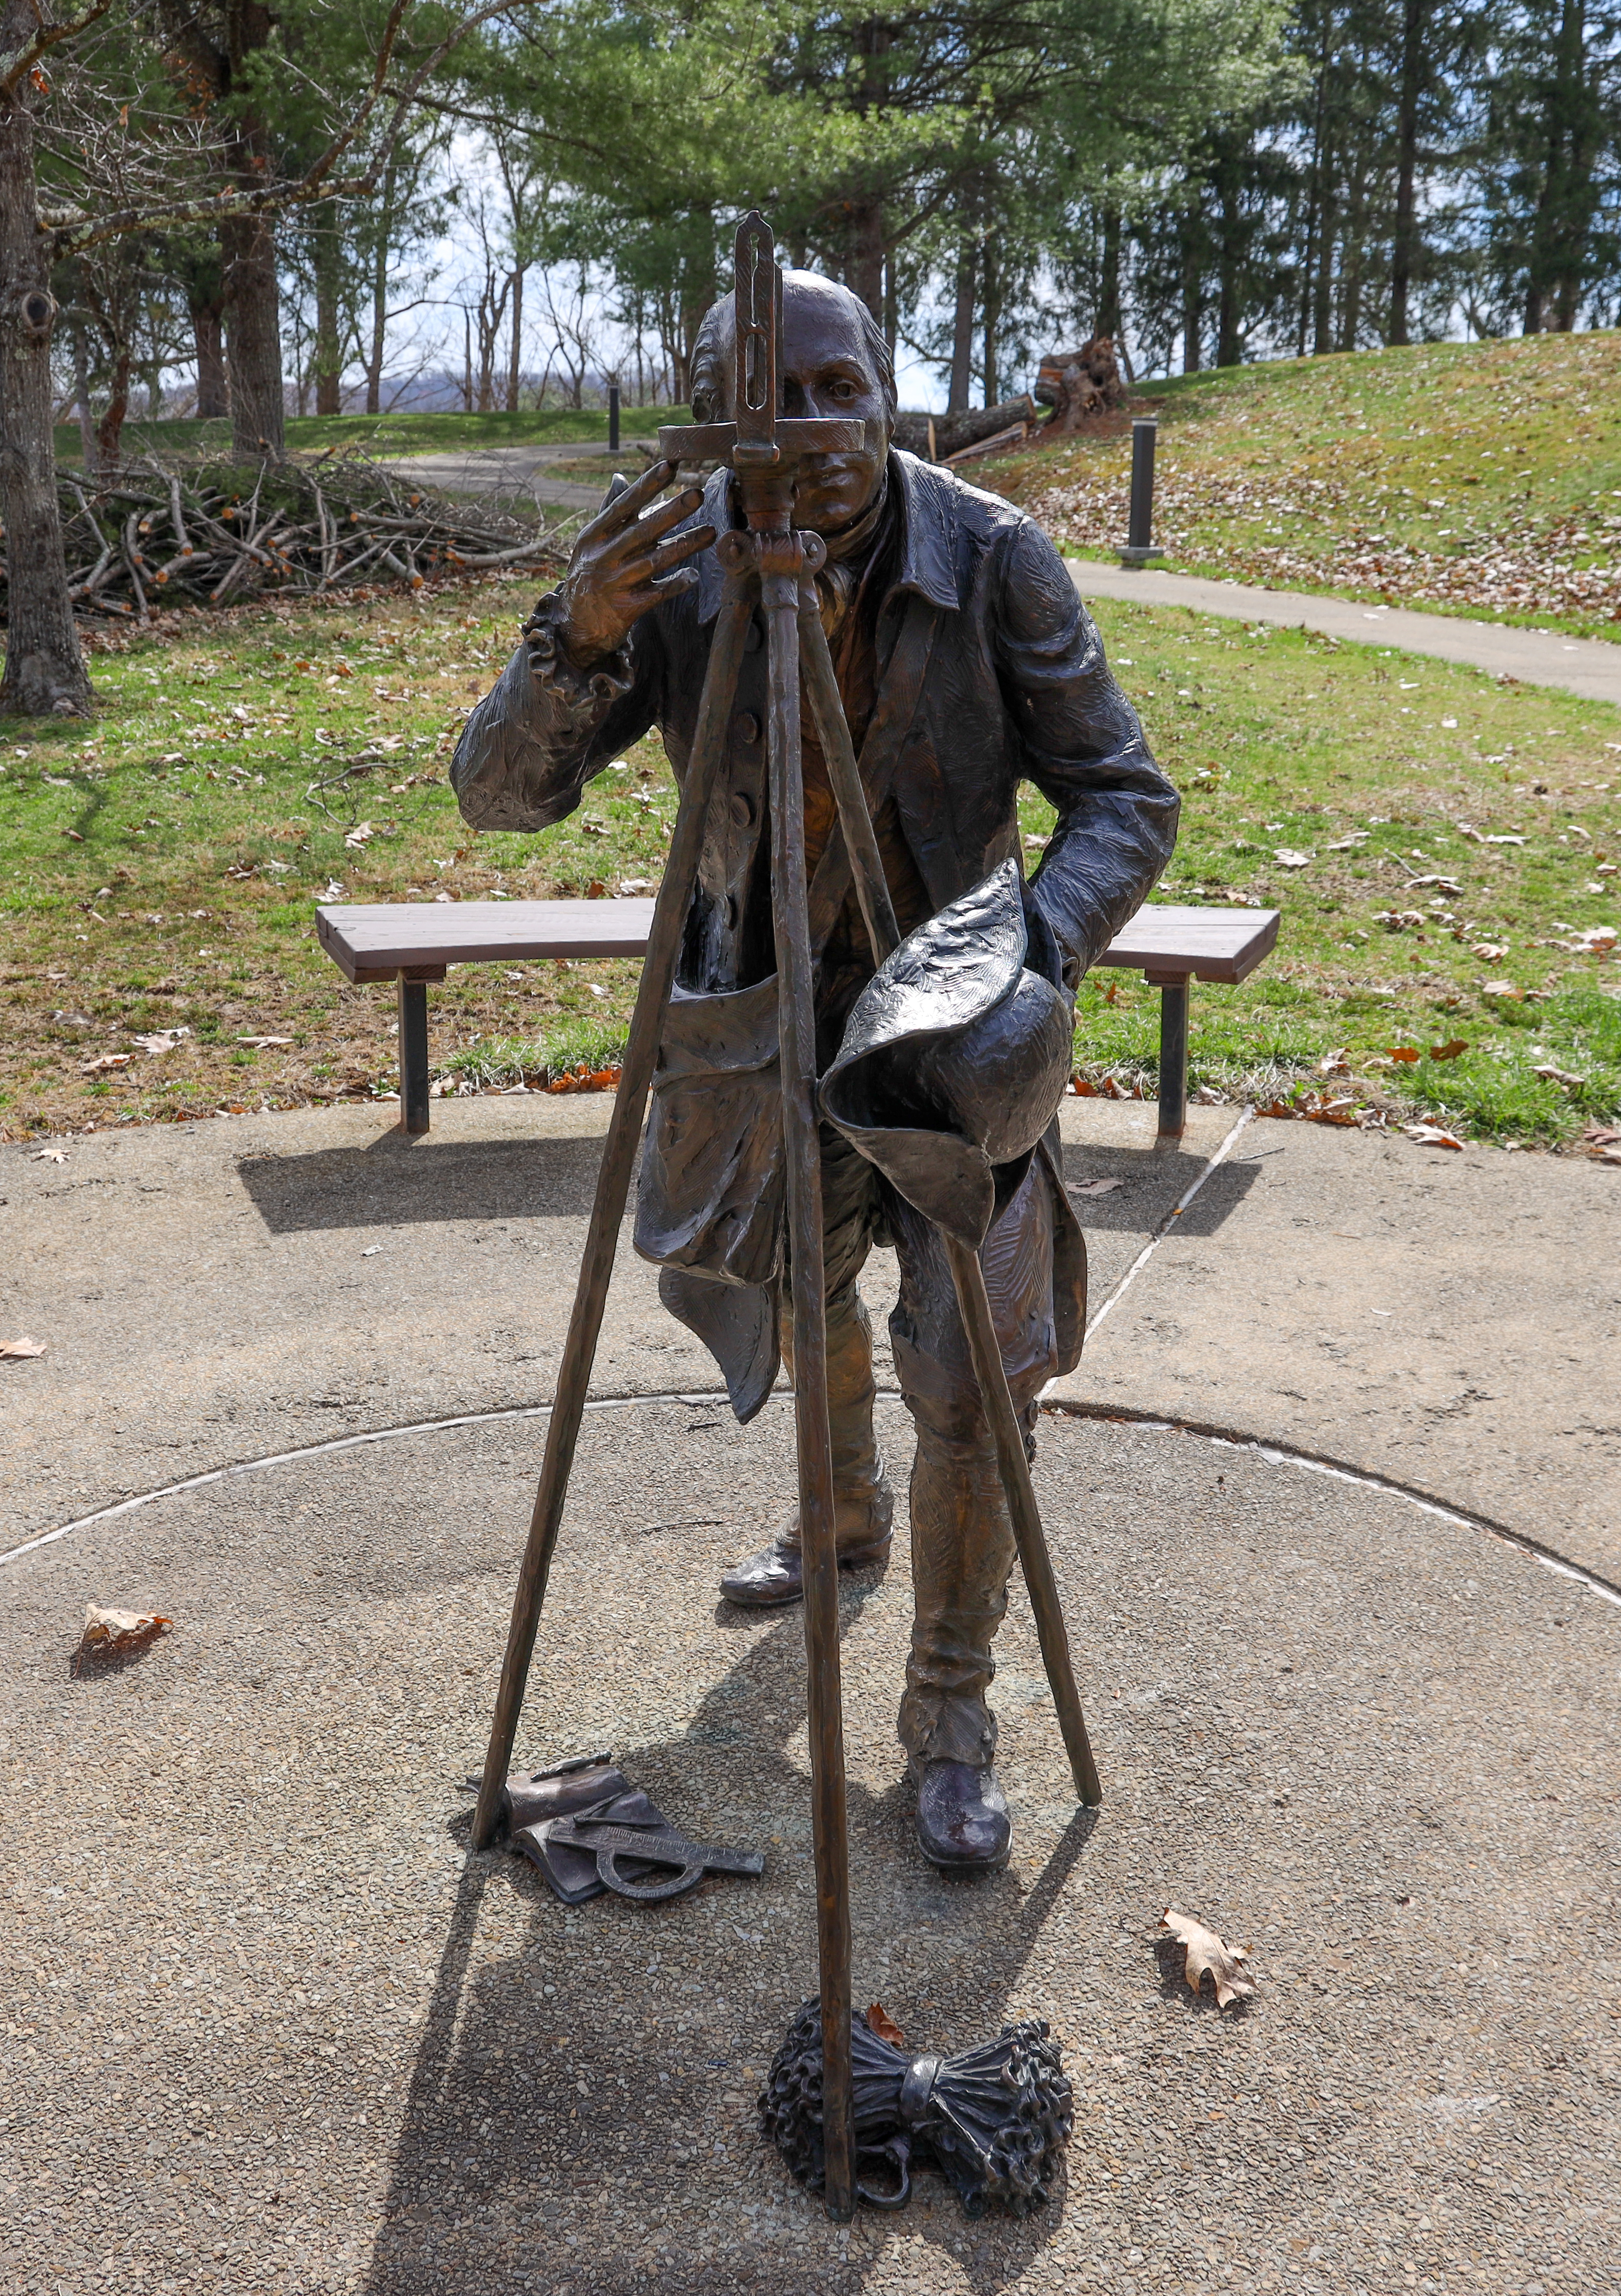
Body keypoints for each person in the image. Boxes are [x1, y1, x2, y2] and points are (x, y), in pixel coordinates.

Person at [448, 270, 1176, 1872]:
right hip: (757, 1008)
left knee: (977, 1368)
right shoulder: (676, 564)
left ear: (888, 393)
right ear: (717, 419)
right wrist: (569, 642)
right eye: (773, 401)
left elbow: (1126, 796)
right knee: (791, 1292)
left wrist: (1025, 960)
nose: (819, 432)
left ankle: (950, 1708)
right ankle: (839, 1519)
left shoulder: (991, 557)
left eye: (846, 390)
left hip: (953, 1041)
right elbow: (499, 800)